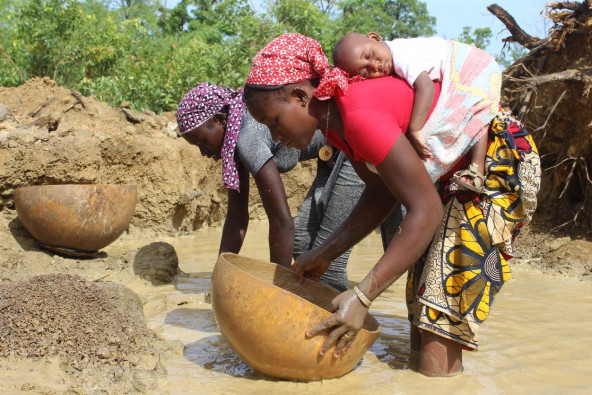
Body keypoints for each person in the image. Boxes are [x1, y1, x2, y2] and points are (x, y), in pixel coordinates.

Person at [243, 33, 540, 377]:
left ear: (301, 95)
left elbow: (424, 210)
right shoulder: (338, 126)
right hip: (449, 177)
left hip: (493, 164)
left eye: (274, 123)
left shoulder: (357, 114)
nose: (276, 137)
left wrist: (362, 297)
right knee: (420, 311)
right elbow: (381, 192)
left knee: (438, 320)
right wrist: (326, 252)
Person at [175, 82, 365, 291]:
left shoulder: (247, 138)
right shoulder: (232, 142)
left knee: (329, 263)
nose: (204, 153)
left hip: (354, 148)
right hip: (331, 154)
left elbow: (281, 222)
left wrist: (276, 290)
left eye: (202, 143)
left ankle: (336, 318)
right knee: (302, 243)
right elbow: (237, 218)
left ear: (220, 120)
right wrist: (218, 278)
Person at [333, 32, 502, 192]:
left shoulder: (401, 55)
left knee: (469, 111)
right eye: (366, 71)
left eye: (369, 55)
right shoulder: (392, 58)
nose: (375, 65)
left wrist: (415, 129)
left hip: (470, 63)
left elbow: (426, 87)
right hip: (469, 59)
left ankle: (477, 167)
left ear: (375, 38)